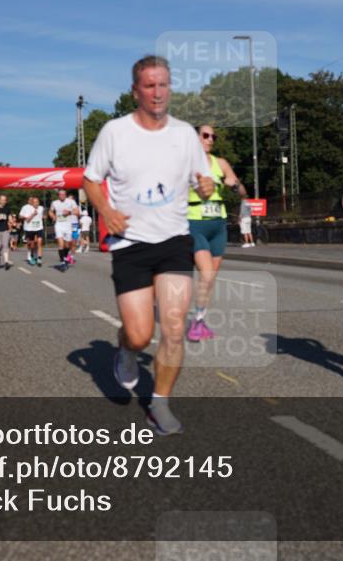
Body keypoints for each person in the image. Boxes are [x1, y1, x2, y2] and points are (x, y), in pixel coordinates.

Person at [83, 54, 214, 435]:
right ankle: (126, 349)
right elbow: (91, 179)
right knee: (140, 334)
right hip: (130, 245)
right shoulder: (115, 132)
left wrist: (204, 184)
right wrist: (106, 211)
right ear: (135, 90)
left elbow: (200, 179)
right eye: (150, 85)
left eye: (163, 84)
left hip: (174, 240)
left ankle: (159, 404)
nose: (157, 93)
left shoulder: (185, 134)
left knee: (173, 329)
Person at [186, 124, 247, 342]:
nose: (210, 139)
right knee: (207, 273)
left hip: (217, 226)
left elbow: (242, 192)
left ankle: (199, 320)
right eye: (205, 135)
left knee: (210, 278)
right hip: (194, 223)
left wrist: (233, 184)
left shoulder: (220, 163)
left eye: (213, 136)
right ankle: (194, 323)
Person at [49, 189, 80, 270]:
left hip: (68, 225)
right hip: (58, 225)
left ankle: (66, 258)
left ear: (65, 195)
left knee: (68, 245)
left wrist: (69, 213)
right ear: (58, 195)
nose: (62, 196)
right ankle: (63, 262)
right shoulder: (54, 202)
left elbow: (77, 212)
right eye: (60, 194)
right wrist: (52, 216)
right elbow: (50, 211)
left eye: (63, 194)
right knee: (61, 244)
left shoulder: (71, 202)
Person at [20, 196, 45, 267]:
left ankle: (39, 258)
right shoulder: (28, 209)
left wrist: (45, 216)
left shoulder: (41, 208)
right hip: (30, 229)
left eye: (37, 202)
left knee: (39, 242)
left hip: (39, 228)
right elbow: (27, 220)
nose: (36, 204)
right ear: (32, 203)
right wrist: (33, 214)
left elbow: (43, 215)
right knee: (32, 244)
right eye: (34, 202)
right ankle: (32, 255)